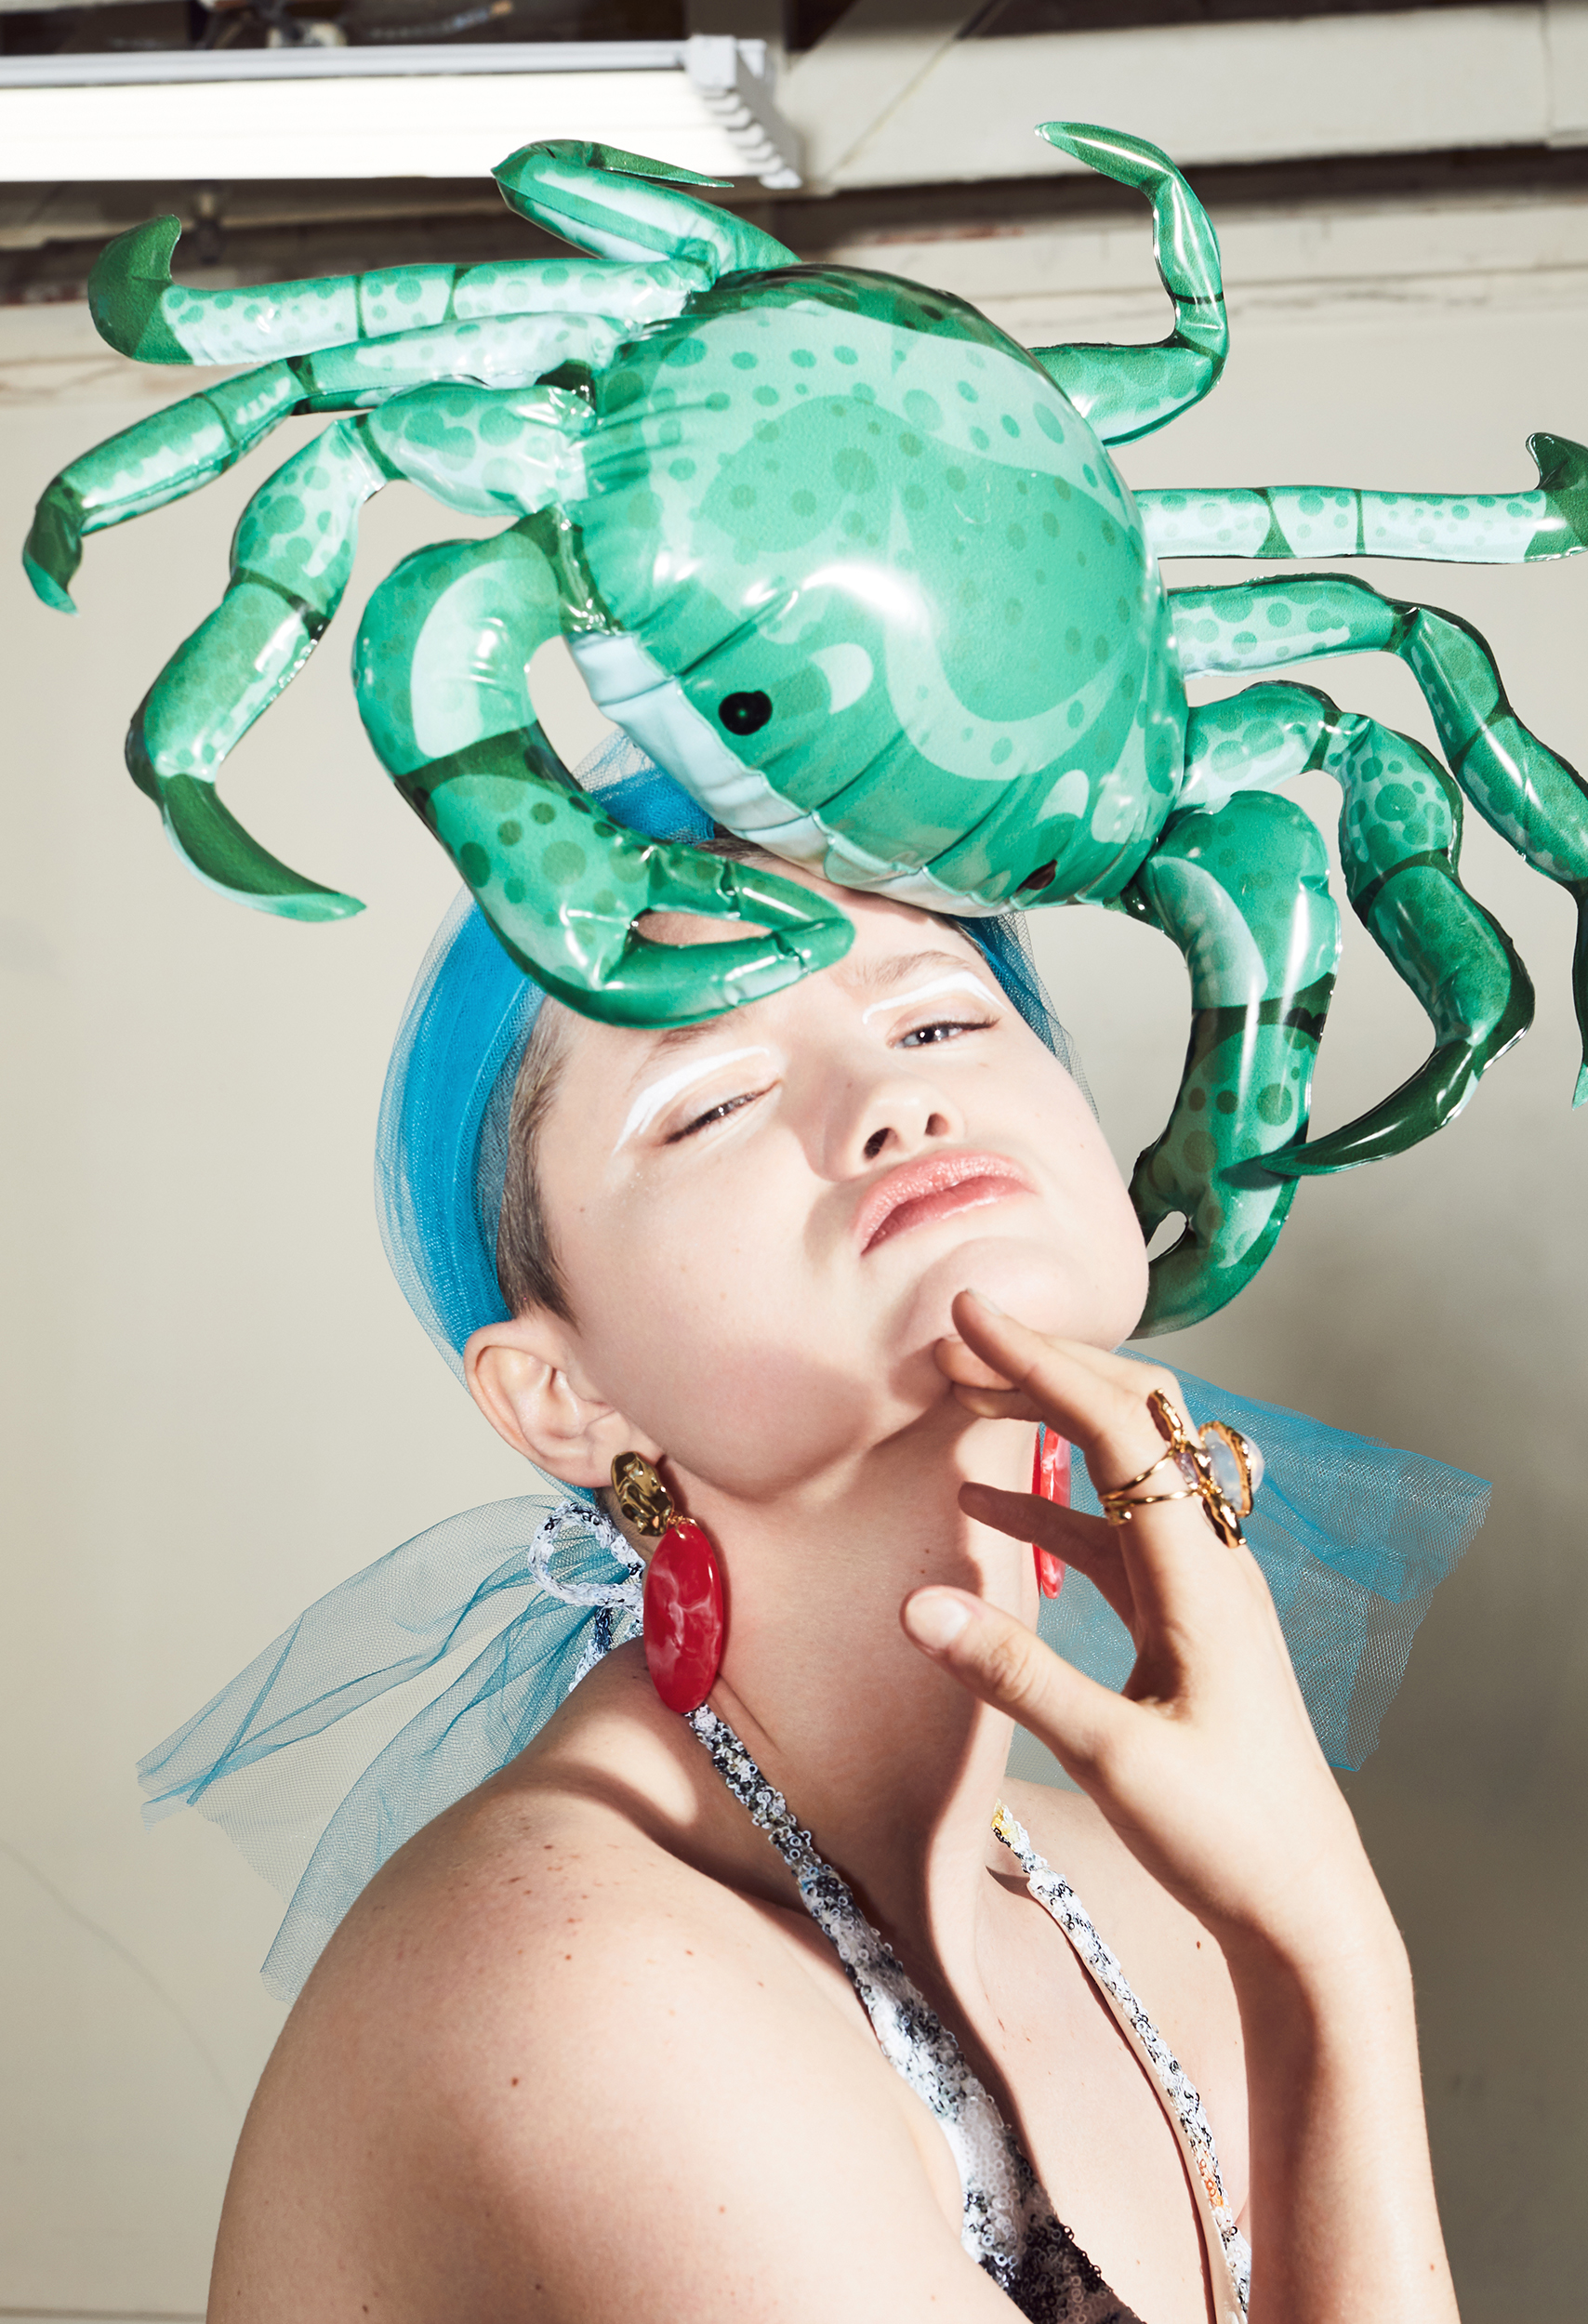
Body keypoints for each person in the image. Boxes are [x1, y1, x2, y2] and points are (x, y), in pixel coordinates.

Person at [194, 852, 1461, 2324]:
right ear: (564, 1397)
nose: (893, 1101)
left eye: (941, 1022)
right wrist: (1328, 1955)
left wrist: (1309, 1933)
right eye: (715, 1101)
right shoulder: (576, 1981)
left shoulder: (1146, 1896)